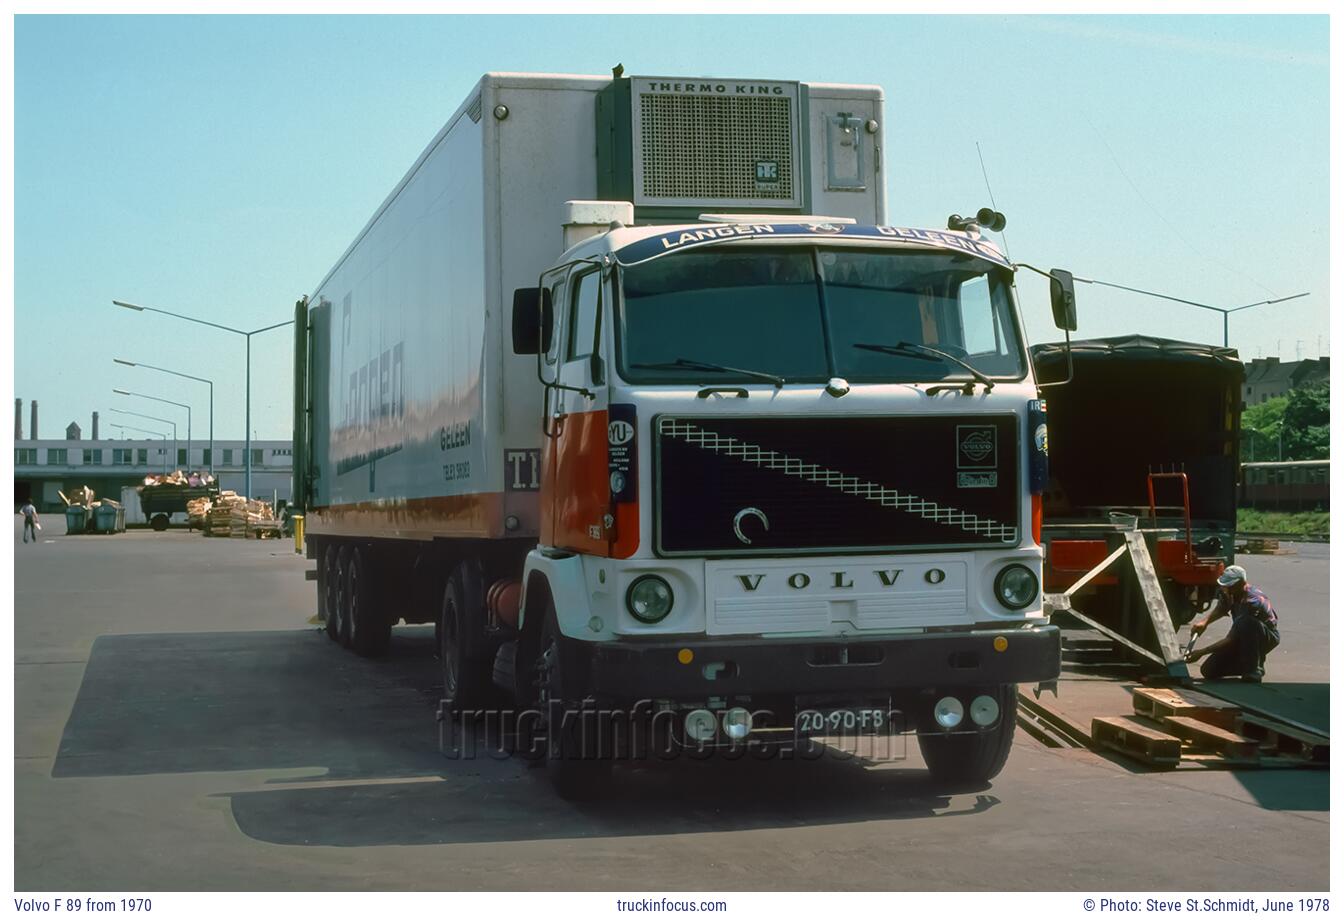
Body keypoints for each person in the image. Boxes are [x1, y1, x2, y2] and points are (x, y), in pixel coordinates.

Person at [1184, 565, 1279, 682]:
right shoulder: (1230, 592)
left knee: (1247, 623)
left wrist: (1201, 652)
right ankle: (1245, 663)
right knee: (1208, 670)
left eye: (1229, 586)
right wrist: (1204, 622)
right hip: (1242, 636)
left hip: (1263, 636)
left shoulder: (1253, 601)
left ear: (1241, 583)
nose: (1226, 589)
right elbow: (1221, 608)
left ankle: (1254, 669)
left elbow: (1231, 639)